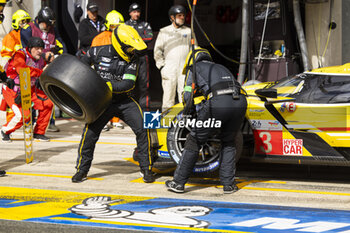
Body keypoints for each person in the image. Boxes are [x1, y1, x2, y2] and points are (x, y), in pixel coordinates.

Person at [72, 23, 155, 183]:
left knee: (143, 130)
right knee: (89, 135)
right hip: (102, 103)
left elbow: (128, 84)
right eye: (129, 48)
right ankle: (81, 170)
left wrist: (105, 85)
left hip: (125, 101)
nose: (132, 52)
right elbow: (79, 67)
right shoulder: (96, 51)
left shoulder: (134, 59)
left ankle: (146, 169)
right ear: (119, 44)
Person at [165, 48, 247, 194]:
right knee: (228, 142)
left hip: (219, 103)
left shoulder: (194, 68)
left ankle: (178, 183)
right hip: (240, 102)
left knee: (194, 140)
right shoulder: (220, 67)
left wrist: (188, 113)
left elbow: (187, 97)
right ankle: (228, 185)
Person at [20, 6, 66, 132]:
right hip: (31, 67)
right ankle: (29, 122)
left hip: (48, 67)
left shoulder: (53, 29)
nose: (48, 27)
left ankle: (49, 123)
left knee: (48, 95)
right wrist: (44, 56)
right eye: (46, 24)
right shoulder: (27, 29)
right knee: (31, 97)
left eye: (50, 25)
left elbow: (61, 44)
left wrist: (59, 55)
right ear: (40, 20)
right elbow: (26, 50)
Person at [0, 37, 54, 142]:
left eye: (41, 48)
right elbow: (22, 70)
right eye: (37, 48)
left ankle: (39, 132)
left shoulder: (40, 58)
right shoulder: (20, 54)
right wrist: (41, 72)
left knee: (48, 103)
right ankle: (5, 130)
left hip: (30, 89)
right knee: (24, 115)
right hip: (13, 90)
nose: (39, 51)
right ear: (30, 48)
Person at [154, 5, 193, 111]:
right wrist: (162, 66)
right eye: (179, 15)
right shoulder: (164, 31)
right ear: (172, 17)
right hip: (169, 69)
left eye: (183, 16)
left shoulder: (189, 32)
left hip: (184, 70)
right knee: (168, 98)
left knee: (184, 97)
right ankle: (167, 124)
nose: (182, 18)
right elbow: (157, 50)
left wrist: (191, 66)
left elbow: (194, 50)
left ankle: (183, 123)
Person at [0, 10, 31, 126]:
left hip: (23, 72)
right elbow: (5, 58)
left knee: (26, 100)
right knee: (12, 103)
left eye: (27, 22)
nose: (25, 25)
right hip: (12, 74)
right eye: (23, 22)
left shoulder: (26, 36)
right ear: (16, 22)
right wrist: (5, 76)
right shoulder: (10, 37)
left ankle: (25, 124)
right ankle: (9, 124)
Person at [125, 3, 153, 111]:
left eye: (138, 12)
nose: (136, 14)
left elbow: (150, 37)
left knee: (144, 85)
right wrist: (139, 40)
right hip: (130, 58)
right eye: (134, 12)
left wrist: (134, 39)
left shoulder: (145, 24)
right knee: (129, 84)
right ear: (130, 13)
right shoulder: (125, 25)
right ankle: (130, 109)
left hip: (143, 58)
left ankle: (145, 109)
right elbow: (123, 40)